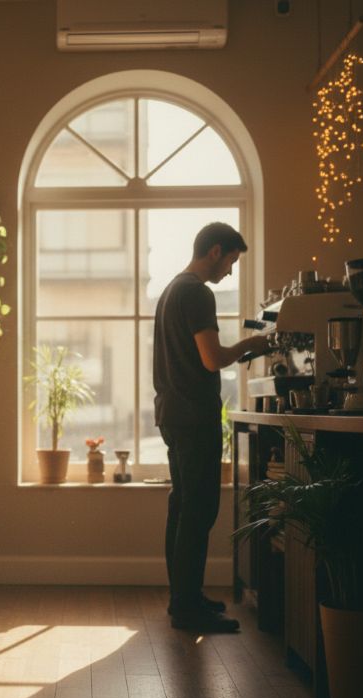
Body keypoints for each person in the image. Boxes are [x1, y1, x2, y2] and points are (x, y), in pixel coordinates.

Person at [153, 223, 269, 633]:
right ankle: (187, 609)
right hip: (193, 416)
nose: (231, 273)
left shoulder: (171, 290)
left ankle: (182, 598)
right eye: (232, 262)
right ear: (216, 251)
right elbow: (212, 358)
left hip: (170, 414)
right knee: (199, 511)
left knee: (182, 507)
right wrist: (249, 347)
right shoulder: (197, 292)